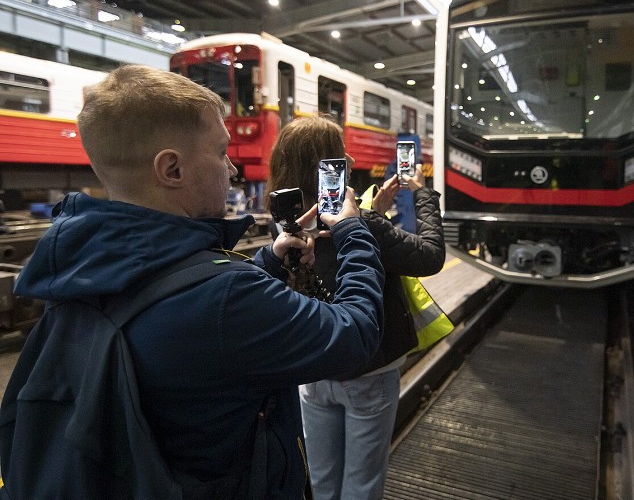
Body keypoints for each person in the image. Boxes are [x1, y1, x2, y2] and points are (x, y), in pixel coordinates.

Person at [3, 65, 386, 499]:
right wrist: (354, 232)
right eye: (221, 152)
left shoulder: (76, 261)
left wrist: (269, 261)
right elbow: (356, 333)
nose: (233, 169)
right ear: (172, 169)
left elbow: (173, 303)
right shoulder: (228, 297)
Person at [265, 115, 445, 500]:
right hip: (370, 369)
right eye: (339, 154)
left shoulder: (282, 227)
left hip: (313, 368)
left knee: (324, 480)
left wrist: (375, 213)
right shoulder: (360, 224)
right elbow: (430, 257)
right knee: (361, 483)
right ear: (330, 166)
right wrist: (423, 196)